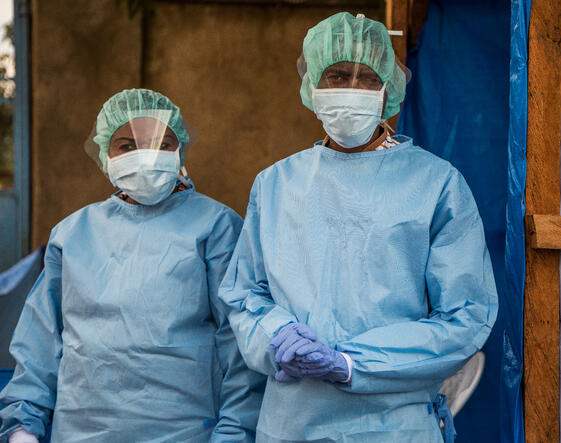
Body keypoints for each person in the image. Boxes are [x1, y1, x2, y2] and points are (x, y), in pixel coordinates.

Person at [219, 12, 498, 443]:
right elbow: (243, 293)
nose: (350, 88)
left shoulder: (436, 184)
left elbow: (466, 315)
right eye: (335, 76)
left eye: (366, 77)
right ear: (312, 86)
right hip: (292, 422)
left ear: (388, 88)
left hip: (395, 425)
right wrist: (277, 335)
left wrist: (353, 364)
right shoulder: (275, 184)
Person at [0, 89, 265, 443]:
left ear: (180, 152)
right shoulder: (72, 234)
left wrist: (234, 432)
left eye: (161, 144)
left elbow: (238, 344)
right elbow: (41, 341)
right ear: (104, 154)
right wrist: (22, 427)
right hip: (83, 431)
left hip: (185, 432)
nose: (145, 156)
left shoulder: (215, 226)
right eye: (126, 146)